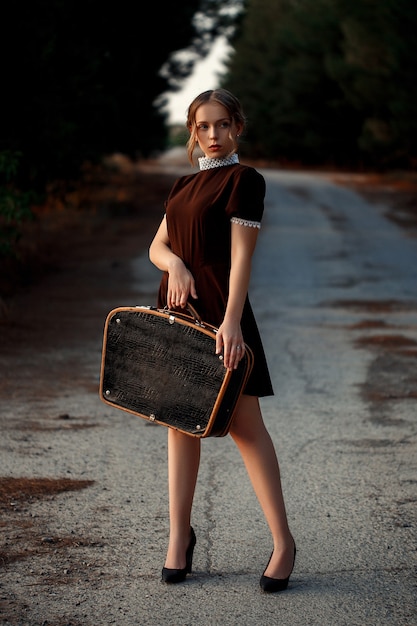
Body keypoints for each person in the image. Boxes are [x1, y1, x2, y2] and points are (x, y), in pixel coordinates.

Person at [149, 88, 295, 593]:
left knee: (244, 427)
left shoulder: (244, 180)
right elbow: (157, 246)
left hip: (222, 311)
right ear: (193, 131)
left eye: (223, 125)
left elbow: (242, 258)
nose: (213, 135)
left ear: (238, 127)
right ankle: (178, 538)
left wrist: (232, 322)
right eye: (204, 126)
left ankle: (283, 542)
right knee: (180, 424)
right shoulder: (181, 186)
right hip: (178, 310)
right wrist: (176, 265)